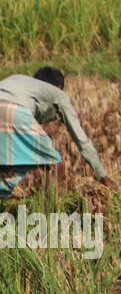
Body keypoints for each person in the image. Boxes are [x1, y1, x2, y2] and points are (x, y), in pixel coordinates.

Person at [0, 66, 110, 197]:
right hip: (15, 112)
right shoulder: (59, 95)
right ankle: (51, 209)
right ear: (59, 86)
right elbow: (82, 140)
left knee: (7, 158)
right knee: (52, 161)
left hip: (9, 111)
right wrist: (103, 176)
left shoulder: (17, 78)